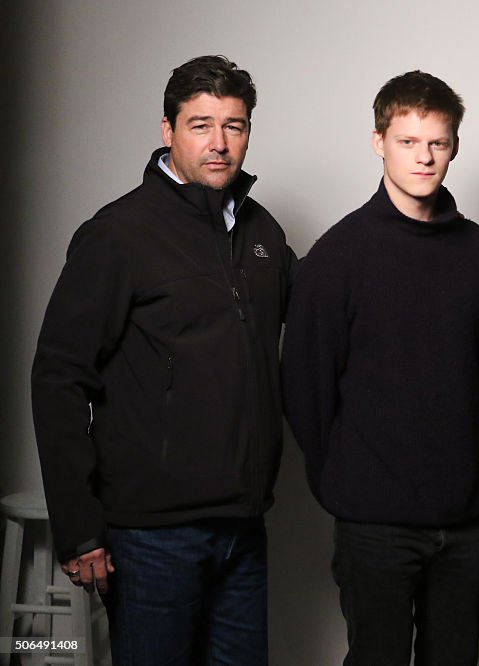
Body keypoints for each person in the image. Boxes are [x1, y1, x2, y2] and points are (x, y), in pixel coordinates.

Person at [31, 55, 296, 664]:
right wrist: (79, 527)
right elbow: (58, 377)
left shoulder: (264, 233)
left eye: (234, 125)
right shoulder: (118, 234)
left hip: (243, 525)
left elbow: (317, 328)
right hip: (152, 534)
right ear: (167, 130)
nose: (220, 143)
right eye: (201, 125)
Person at [281, 71, 479, 665]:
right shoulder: (339, 255)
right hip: (374, 521)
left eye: (438, 142)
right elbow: (304, 387)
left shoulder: (478, 249)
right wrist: (346, 485)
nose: (424, 157)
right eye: (408, 141)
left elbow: (469, 372)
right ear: (379, 142)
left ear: (454, 145)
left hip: (467, 520)